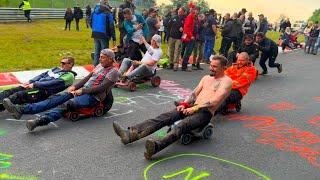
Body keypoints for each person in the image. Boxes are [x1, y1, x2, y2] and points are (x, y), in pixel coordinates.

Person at [113, 55, 232, 159]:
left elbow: (215, 101)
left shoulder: (226, 81)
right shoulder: (206, 78)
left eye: (215, 67)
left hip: (204, 113)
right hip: (191, 107)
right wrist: (184, 104)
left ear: (223, 68)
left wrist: (193, 109)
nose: (211, 68)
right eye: (211, 65)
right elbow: (194, 93)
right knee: (164, 117)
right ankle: (130, 134)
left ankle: (156, 146)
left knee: (181, 125)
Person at [4, 49, 120, 131]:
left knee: (65, 105)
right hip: (81, 92)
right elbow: (87, 78)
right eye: (99, 56)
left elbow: (102, 87)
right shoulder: (99, 66)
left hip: (93, 97)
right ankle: (21, 110)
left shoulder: (113, 72)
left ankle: (40, 121)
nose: (100, 59)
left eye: (102, 57)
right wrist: (75, 86)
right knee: (53, 100)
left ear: (110, 59)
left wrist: (82, 91)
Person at [0, 57, 76, 115]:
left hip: (43, 91)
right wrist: (30, 82)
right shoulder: (55, 69)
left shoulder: (69, 76)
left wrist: (35, 84)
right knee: (11, 91)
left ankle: (7, 104)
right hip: (34, 85)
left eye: (63, 63)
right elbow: (42, 75)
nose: (61, 64)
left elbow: (53, 83)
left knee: (18, 96)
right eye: (61, 62)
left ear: (70, 64)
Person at [91, 2, 116, 66]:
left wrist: (94, 29)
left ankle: (95, 66)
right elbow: (111, 25)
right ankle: (103, 67)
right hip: (104, 34)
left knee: (97, 51)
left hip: (95, 33)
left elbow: (91, 22)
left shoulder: (94, 11)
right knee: (105, 53)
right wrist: (113, 37)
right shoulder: (108, 12)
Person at [181, 4, 199, 71]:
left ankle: (184, 65)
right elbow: (186, 28)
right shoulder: (190, 17)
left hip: (187, 37)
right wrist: (191, 36)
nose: (196, 11)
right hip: (189, 38)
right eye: (194, 9)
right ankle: (184, 66)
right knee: (188, 52)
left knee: (186, 51)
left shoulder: (193, 17)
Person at [167, 7, 185, 71]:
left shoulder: (184, 19)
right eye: (179, 11)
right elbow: (168, 27)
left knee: (177, 51)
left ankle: (175, 64)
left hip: (179, 38)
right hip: (171, 37)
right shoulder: (173, 18)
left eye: (180, 11)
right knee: (171, 50)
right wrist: (167, 36)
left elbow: (186, 30)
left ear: (183, 12)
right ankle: (170, 63)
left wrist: (183, 37)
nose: (179, 12)